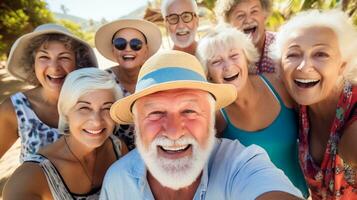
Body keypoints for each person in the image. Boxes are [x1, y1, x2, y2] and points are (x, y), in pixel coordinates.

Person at [99, 50, 303, 200]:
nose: (174, 132)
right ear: (136, 125)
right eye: (156, 113)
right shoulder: (117, 182)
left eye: (189, 111)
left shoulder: (240, 164)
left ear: (211, 120)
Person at [196, 25, 308, 197]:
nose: (227, 66)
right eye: (216, 61)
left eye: (234, 56)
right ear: (208, 73)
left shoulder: (279, 86)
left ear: (246, 58)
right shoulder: (215, 117)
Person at [3, 68, 128, 200]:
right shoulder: (32, 176)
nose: (97, 121)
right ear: (66, 112)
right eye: (84, 108)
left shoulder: (118, 148)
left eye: (107, 108)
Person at [273, 9, 357, 199]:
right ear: (280, 65)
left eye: (321, 54)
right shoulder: (296, 100)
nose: (304, 66)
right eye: (293, 55)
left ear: (342, 65)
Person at [0, 23, 97, 162]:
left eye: (64, 57)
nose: (54, 67)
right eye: (44, 57)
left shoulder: (92, 100)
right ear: (33, 64)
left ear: (78, 63)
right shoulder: (14, 108)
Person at [95, 19, 162, 150]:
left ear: (146, 51)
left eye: (136, 44)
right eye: (120, 44)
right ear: (113, 50)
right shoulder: (102, 82)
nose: (127, 49)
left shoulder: (158, 78)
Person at [215, 0, 275, 74]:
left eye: (254, 11)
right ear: (228, 23)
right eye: (240, 15)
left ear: (264, 15)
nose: (248, 20)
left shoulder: (281, 46)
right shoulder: (223, 55)